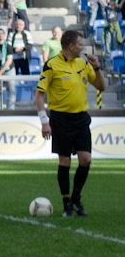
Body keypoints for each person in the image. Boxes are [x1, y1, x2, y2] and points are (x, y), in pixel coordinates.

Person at [35, 29, 105, 217]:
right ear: (71, 46)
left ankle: (75, 198)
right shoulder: (51, 65)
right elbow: (39, 96)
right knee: (64, 160)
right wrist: (44, 122)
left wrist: (97, 68)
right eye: (81, 44)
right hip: (60, 119)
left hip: (81, 118)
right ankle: (66, 203)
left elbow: (101, 86)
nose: (83, 47)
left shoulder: (83, 63)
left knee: (86, 159)